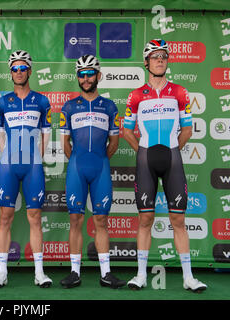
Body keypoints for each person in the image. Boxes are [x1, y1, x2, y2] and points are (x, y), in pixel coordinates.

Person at [123, 39, 207, 292]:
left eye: (164, 56)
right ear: (146, 62)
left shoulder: (180, 92)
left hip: (172, 160)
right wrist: (144, 153)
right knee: (145, 218)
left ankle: (188, 277)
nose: (160, 60)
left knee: (177, 219)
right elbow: (127, 131)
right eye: (155, 56)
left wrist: (171, 151)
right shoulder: (136, 95)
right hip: (146, 160)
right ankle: (140, 276)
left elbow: (188, 129)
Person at [59, 55, 126, 289]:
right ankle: (75, 272)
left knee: (101, 220)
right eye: (81, 74)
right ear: (77, 77)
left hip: (100, 168)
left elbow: (114, 143)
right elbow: (65, 144)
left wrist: (99, 161)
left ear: (98, 75)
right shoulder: (69, 107)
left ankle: (105, 273)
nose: (85, 78)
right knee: (75, 219)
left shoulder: (109, 106)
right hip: (77, 168)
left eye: (90, 74)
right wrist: (79, 161)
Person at [0, 50, 52, 288]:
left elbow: (46, 134)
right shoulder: (3, 102)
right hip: (9, 166)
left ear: (30, 71)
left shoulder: (42, 101)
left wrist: (37, 158)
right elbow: (0, 135)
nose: (18, 72)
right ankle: (2, 273)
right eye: (14, 68)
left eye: (22, 68)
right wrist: (8, 157)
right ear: (10, 72)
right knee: (5, 217)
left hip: (33, 166)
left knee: (35, 218)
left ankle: (39, 273)